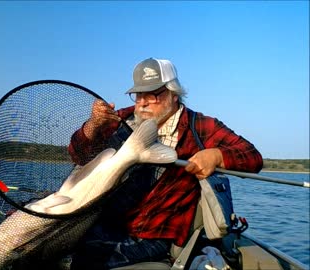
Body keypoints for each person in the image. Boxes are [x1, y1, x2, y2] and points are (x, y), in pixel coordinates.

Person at [68, 58, 263, 269]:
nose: (142, 102)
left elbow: (252, 156)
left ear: (174, 93)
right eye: (138, 94)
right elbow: (79, 155)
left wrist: (216, 156)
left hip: (152, 234)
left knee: (83, 260)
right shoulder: (121, 119)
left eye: (152, 94)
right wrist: (92, 127)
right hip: (103, 220)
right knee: (53, 249)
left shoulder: (200, 127)